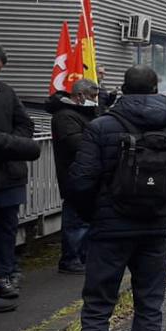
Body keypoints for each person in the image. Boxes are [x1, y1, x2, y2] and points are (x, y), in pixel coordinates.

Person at [67, 65, 166, 331]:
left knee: (97, 308)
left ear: (124, 89)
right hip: (154, 230)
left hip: (108, 231)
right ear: (156, 89)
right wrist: (164, 212)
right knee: (149, 306)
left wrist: (97, 215)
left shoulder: (101, 127)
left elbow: (80, 182)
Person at [0, 39, 38, 312]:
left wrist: (8, 145)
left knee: (6, 228)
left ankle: (4, 275)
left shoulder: (5, 92)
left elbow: (25, 124)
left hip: (7, 174)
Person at [48, 78, 101, 275]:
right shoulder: (65, 116)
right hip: (74, 175)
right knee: (76, 221)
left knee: (85, 219)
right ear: (79, 96)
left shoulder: (81, 114)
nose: (94, 101)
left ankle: (83, 256)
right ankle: (71, 259)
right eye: (92, 96)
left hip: (85, 174)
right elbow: (77, 144)